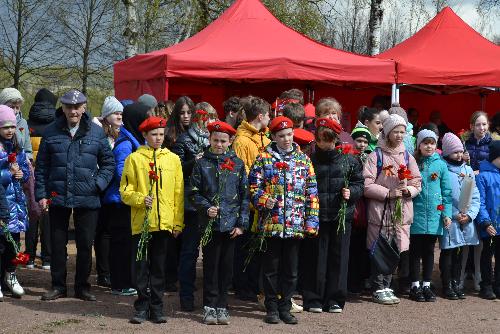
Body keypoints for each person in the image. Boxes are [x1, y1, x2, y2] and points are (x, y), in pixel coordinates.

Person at [35, 89, 115, 302]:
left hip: (88, 197)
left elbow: (109, 164)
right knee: (57, 243)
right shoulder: (51, 131)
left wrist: (97, 185)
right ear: (62, 107)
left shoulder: (96, 133)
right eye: (69, 107)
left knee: (84, 244)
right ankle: (58, 286)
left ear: (84, 108)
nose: (73, 111)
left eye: (77, 107)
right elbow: (41, 167)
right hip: (57, 195)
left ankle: (82, 287)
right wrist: (42, 194)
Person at [249, 116, 319, 325]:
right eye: (281, 136)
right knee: (271, 268)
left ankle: (285, 305)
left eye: (289, 135)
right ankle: (271, 306)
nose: (286, 139)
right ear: (273, 137)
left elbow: (312, 194)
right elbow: (253, 188)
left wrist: (311, 222)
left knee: (291, 268)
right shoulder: (263, 158)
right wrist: (263, 200)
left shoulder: (304, 160)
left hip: (295, 224)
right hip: (271, 224)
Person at [120, 116, 184, 324]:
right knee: (140, 266)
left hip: (164, 223)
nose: (158, 138)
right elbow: (124, 190)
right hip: (142, 223)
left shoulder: (173, 159)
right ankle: (141, 305)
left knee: (159, 267)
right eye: (154, 135)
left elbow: (178, 194)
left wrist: (177, 222)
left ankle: (157, 307)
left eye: (161, 135)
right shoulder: (134, 159)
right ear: (145, 135)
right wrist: (140, 199)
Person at [302, 117, 364, 313]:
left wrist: (351, 192)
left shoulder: (349, 160)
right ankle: (313, 298)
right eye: (321, 140)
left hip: (340, 216)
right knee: (315, 258)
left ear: (336, 140)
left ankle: (336, 299)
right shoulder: (310, 160)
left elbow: (359, 184)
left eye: (328, 140)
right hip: (317, 217)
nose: (325, 145)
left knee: (339, 258)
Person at [190, 121, 249, 325]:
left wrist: (242, 224)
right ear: (209, 140)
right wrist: (206, 208)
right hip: (210, 225)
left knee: (226, 268)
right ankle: (209, 306)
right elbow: (194, 192)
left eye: (223, 141)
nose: (219, 145)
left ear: (230, 141)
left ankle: (223, 305)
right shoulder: (202, 163)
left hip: (231, 226)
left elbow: (244, 196)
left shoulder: (238, 164)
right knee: (211, 266)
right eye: (215, 140)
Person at [363, 114, 422, 305]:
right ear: (387, 132)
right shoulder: (376, 156)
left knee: (396, 248)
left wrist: (409, 191)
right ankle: (377, 286)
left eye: (402, 132)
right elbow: (366, 184)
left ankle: (388, 284)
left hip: (401, 210)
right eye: (395, 131)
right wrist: (388, 193)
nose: (399, 135)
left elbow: (417, 181)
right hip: (381, 212)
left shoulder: (407, 156)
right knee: (379, 248)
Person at [103, 102, 150, 296]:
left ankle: (126, 281)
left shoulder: (133, 139)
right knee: (121, 244)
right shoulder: (125, 143)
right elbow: (121, 171)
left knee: (127, 243)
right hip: (120, 201)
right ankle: (120, 283)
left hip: (127, 199)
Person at [231, 96, 271, 303]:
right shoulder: (242, 141)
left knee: (256, 249)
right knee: (244, 247)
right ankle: (242, 286)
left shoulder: (264, 137)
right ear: (261, 116)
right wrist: (254, 196)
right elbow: (242, 173)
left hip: (262, 202)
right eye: (269, 115)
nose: (270, 119)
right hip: (248, 203)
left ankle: (252, 285)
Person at [173, 106, 212, 311]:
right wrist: (194, 161)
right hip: (190, 202)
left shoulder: (214, 138)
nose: (207, 121)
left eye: (211, 117)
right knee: (189, 252)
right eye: (205, 117)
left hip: (210, 203)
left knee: (210, 254)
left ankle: (209, 299)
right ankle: (186, 297)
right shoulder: (184, 140)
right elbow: (176, 169)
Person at [409, 130, 452, 302]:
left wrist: (446, 214)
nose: (429, 146)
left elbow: (446, 193)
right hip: (416, 215)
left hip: (435, 215)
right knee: (415, 252)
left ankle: (426, 284)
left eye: (432, 143)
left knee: (429, 251)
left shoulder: (441, 165)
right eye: (425, 143)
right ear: (418, 145)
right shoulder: (413, 162)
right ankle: (414, 285)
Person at [438, 133, 480, 300]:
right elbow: (441, 195)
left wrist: (469, 215)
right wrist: (453, 214)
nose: (459, 155)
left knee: (461, 253)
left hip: (465, 219)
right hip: (450, 219)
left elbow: (475, 195)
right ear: (447, 152)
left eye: (461, 151)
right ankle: (446, 283)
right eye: (455, 152)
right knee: (447, 252)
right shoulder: (443, 169)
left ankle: (456, 281)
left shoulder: (467, 169)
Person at [25, 88, 57, 270]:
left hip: (29, 176)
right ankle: (47, 258)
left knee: (32, 215)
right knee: (48, 217)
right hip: (50, 176)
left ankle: (29, 257)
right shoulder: (56, 125)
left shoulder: (25, 124)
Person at [93, 96, 124, 288]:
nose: (119, 115)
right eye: (115, 113)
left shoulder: (120, 133)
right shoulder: (99, 134)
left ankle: (111, 270)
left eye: (121, 112)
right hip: (100, 189)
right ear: (106, 116)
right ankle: (103, 272)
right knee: (102, 232)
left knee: (110, 232)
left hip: (113, 190)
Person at [0, 105, 30, 298]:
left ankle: (11, 275)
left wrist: (21, 173)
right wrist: (8, 174)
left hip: (16, 206)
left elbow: (26, 173)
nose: (10, 130)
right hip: (2, 205)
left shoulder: (17, 147)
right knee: (1, 245)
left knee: (14, 245)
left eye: (12, 126)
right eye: (5, 127)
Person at [462, 111, 492, 291]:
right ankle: (467, 269)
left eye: (484, 124)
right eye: (478, 125)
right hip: (467, 187)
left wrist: (480, 173)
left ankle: (480, 273)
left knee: (482, 229)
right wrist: (463, 160)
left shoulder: (493, 144)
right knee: (467, 227)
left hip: (484, 189)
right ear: (472, 126)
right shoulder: (465, 143)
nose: (481, 128)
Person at [347, 126, 372, 294]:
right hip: (353, 203)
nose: (362, 144)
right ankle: (351, 280)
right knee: (351, 245)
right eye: (359, 141)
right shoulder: (347, 157)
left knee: (363, 245)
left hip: (367, 205)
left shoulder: (370, 158)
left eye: (365, 141)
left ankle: (362, 280)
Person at [476, 140, 500, 300]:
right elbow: (480, 202)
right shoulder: (483, 176)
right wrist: (485, 222)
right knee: (487, 255)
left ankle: (498, 285)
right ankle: (486, 285)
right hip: (490, 224)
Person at [0, 88, 32, 160]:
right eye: (11, 107)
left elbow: (28, 149)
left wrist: (25, 161)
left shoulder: (23, 123)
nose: (15, 111)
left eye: (17, 107)